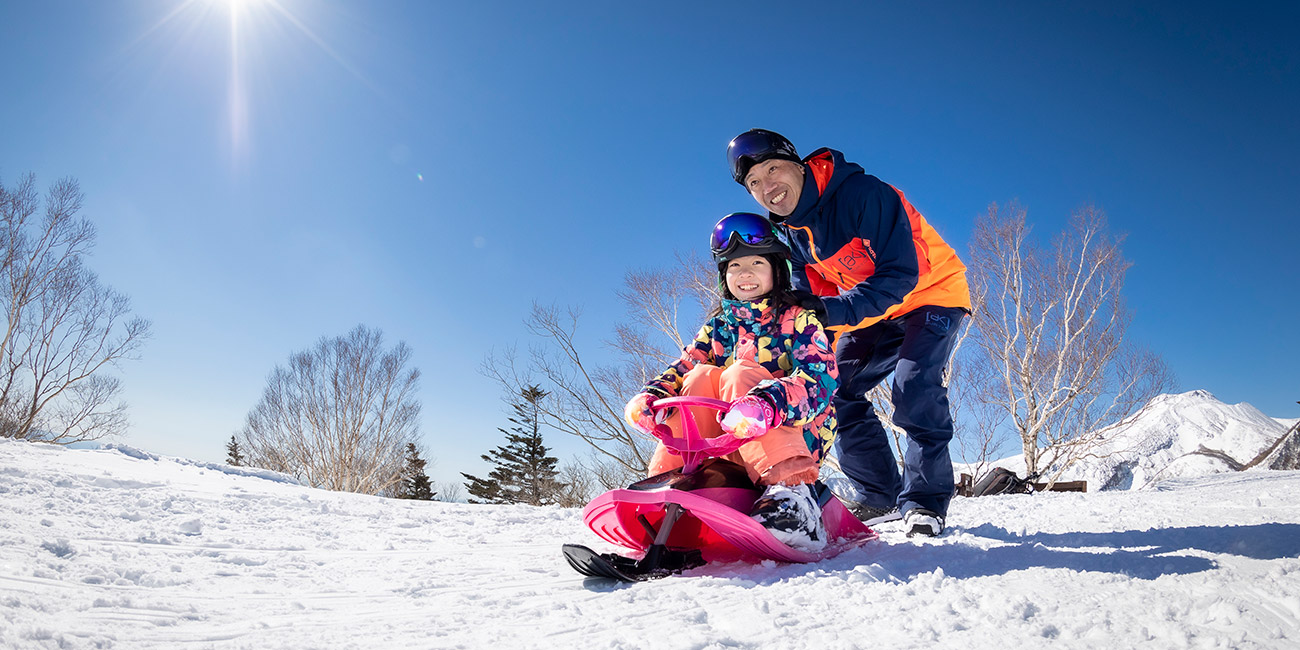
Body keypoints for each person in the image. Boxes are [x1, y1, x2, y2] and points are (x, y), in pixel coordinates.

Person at [725, 128, 971, 537]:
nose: (767, 187)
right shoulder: (792, 233)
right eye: (754, 183)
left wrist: (833, 309)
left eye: (773, 170)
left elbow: (900, 274)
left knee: (913, 384)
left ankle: (925, 502)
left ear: (799, 166)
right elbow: (813, 300)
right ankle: (880, 495)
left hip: (932, 294)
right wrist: (797, 349)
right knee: (834, 388)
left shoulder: (863, 195)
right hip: (873, 310)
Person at [623, 212, 839, 552]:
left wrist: (768, 404)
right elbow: (684, 366)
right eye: (734, 266)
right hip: (722, 448)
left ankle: (794, 501)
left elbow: (820, 381)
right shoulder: (718, 327)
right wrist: (652, 396)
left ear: (777, 270)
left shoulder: (797, 319)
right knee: (699, 376)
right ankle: (671, 485)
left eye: (756, 262)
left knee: (740, 373)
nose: (745, 273)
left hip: (796, 438)